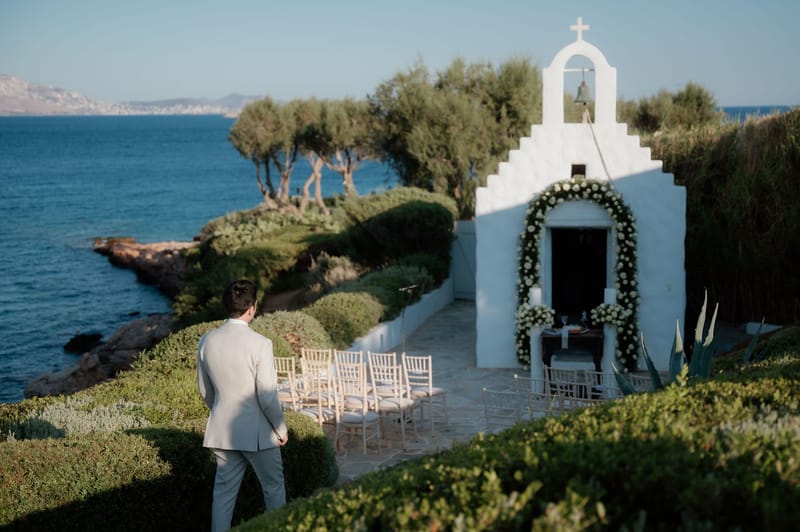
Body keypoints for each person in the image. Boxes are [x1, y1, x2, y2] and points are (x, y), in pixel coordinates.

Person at [197, 279, 288, 532]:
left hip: (221, 431)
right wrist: (281, 429)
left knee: (223, 495)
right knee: (273, 489)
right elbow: (267, 397)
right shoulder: (261, 343)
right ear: (252, 308)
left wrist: (220, 411)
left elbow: (204, 390)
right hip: (258, 434)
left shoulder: (206, 340)